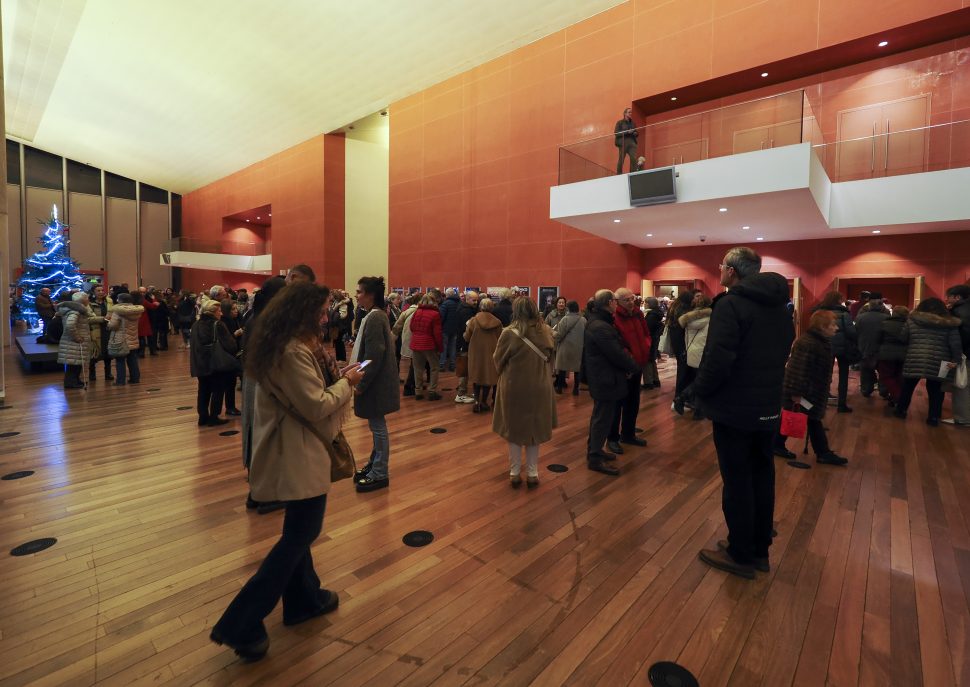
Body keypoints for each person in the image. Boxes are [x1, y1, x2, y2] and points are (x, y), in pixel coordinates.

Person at [209, 282, 364, 663]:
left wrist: (338, 378)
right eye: (323, 310)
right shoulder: (293, 351)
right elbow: (315, 405)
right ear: (302, 312)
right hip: (296, 451)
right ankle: (240, 622)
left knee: (298, 530)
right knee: (301, 534)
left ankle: (302, 599)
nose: (327, 317)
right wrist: (349, 382)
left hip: (294, 448)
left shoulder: (283, 344)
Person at [683, 247, 795, 580]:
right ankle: (759, 549)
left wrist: (697, 391)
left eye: (721, 266)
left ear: (732, 272)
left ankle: (740, 552)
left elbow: (718, 359)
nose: (719, 271)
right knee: (763, 476)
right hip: (767, 405)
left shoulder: (730, 304)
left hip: (735, 407)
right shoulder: (779, 306)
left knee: (737, 482)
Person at [492, 297, 557, 487]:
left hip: (514, 386)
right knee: (534, 429)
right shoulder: (545, 331)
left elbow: (498, 361)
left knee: (514, 429)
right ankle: (532, 472)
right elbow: (550, 358)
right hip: (540, 385)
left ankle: (514, 472)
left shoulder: (509, 333)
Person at [773, 310, 849, 465]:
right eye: (832, 325)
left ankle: (778, 445)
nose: (836, 328)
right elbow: (797, 370)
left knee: (805, 417)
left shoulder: (817, 342)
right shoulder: (809, 344)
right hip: (804, 393)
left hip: (809, 392)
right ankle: (823, 452)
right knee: (810, 418)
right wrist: (796, 393)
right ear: (822, 326)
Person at [350, 276, 400, 493]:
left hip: (375, 384)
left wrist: (361, 381)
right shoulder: (376, 316)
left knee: (378, 428)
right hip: (377, 382)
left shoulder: (374, 318)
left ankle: (380, 472)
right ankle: (375, 465)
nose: (356, 295)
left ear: (370, 295)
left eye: (360, 292)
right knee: (376, 426)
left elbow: (373, 355)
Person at [241, 276, 287, 511]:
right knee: (264, 436)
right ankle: (264, 494)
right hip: (262, 381)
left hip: (252, 378)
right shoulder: (270, 322)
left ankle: (256, 490)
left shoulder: (254, 316)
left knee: (254, 432)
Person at [584, 290, 641, 476]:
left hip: (604, 376)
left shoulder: (599, 323)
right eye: (615, 301)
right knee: (602, 418)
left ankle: (596, 450)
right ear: (609, 303)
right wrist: (634, 366)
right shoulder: (601, 326)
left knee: (601, 415)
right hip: (605, 378)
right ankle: (594, 457)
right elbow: (616, 353)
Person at [893, 297, 962, 427]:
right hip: (940, 360)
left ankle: (901, 411)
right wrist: (956, 360)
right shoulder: (949, 324)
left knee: (908, 386)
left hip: (915, 357)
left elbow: (903, 337)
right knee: (936, 390)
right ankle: (933, 417)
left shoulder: (912, 320)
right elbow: (955, 344)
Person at [607, 288, 651, 453]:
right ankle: (612, 438)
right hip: (623, 368)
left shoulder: (638, 314)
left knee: (633, 402)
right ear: (618, 302)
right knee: (617, 404)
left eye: (632, 298)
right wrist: (629, 361)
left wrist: (645, 350)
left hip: (637, 365)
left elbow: (646, 335)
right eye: (627, 300)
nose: (631, 302)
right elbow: (618, 345)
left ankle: (628, 433)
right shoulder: (614, 318)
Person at [190, 300, 238, 427]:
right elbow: (230, 345)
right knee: (217, 390)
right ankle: (214, 416)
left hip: (200, 362)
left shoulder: (196, 325)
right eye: (219, 311)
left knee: (203, 390)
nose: (221, 313)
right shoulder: (218, 325)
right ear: (212, 312)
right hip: (216, 363)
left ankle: (202, 416)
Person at [816, 291, 856, 413]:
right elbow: (851, 332)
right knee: (843, 376)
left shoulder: (819, 312)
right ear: (839, 300)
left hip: (824, 345)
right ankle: (841, 404)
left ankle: (822, 401)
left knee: (824, 374)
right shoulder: (844, 313)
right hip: (843, 347)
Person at [464, 296, 502, 413]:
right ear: (492, 308)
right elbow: (500, 338)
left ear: (480, 307)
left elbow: (467, 337)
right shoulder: (497, 322)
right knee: (488, 376)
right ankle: (484, 402)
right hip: (491, 351)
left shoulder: (473, 320)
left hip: (476, 351)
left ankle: (476, 401)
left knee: (477, 375)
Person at [943, 284, 970, 426]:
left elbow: (961, 336)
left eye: (948, 296)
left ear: (957, 297)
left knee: (962, 386)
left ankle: (963, 418)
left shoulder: (958, 312)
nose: (946, 299)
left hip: (965, 354)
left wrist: (957, 356)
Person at [408, 293, 443, 400]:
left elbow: (411, 327)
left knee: (418, 368)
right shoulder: (435, 314)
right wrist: (440, 347)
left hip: (415, 343)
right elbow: (437, 333)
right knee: (434, 368)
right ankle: (432, 391)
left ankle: (418, 391)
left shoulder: (416, 312)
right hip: (429, 344)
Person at [855, 293, 889, 398]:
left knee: (865, 371)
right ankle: (883, 390)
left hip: (864, 346)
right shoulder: (887, 317)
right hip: (881, 348)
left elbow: (856, 331)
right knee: (883, 371)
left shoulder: (860, 317)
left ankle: (866, 390)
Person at [57, 292, 92, 389]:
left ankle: (75, 380)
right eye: (87, 298)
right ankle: (71, 382)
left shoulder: (76, 310)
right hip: (74, 341)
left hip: (74, 341)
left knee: (76, 363)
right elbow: (70, 325)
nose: (88, 300)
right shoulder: (75, 311)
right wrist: (77, 337)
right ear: (83, 300)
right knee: (73, 364)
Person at [107, 293, 144, 385]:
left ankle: (120, 381)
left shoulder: (118, 311)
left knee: (120, 360)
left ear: (120, 300)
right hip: (133, 338)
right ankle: (135, 379)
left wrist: (108, 324)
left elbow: (113, 325)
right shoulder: (136, 311)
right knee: (132, 360)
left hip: (121, 338)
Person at [876, 305, 909, 406]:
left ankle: (898, 396)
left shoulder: (884, 324)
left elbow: (878, 339)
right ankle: (895, 397)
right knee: (899, 377)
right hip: (904, 354)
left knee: (886, 376)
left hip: (886, 354)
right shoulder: (909, 325)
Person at [553, 300, 585, 396]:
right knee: (577, 369)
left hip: (565, 347)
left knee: (562, 368)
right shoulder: (583, 320)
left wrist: (552, 333)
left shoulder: (565, 319)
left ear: (568, 308)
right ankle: (576, 389)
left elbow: (559, 335)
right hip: (579, 347)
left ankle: (559, 388)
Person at [392, 293, 421, 396]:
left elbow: (396, 327)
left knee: (415, 364)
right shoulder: (419, 311)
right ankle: (410, 386)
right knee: (416, 364)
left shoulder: (406, 311)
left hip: (408, 340)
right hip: (416, 341)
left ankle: (415, 384)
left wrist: (392, 339)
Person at [453, 290, 480, 404]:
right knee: (464, 369)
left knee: (466, 369)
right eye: (474, 300)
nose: (476, 302)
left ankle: (463, 392)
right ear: (467, 299)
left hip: (464, 343)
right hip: (464, 344)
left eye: (477, 300)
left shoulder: (466, 309)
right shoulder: (466, 311)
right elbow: (468, 329)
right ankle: (461, 394)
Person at [221, 300, 245, 416]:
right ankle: (230, 407)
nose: (236, 311)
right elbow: (226, 341)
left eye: (236, 308)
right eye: (233, 309)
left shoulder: (237, 319)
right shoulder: (224, 322)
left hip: (237, 353)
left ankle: (233, 406)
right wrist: (236, 334)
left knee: (236, 380)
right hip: (229, 355)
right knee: (229, 383)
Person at [88, 285, 114, 381]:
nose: (101, 292)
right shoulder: (89, 303)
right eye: (98, 290)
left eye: (102, 290)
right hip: (95, 330)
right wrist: (103, 319)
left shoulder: (109, 302)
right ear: (93, 292)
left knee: (108, 353)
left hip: (107, 330)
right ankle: (92, 374)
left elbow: (113, 313)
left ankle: (108, 373)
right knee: (94, 353)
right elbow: (88, 319)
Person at [642, 297, 663, 389]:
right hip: (654, 339)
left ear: (649, 304)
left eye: (645, 303)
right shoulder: (657, 313)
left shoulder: (651, 315)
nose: (644, 304)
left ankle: (648, 383)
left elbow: (647, 329)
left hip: (650, 339)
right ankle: (655, 380)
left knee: (647, 360)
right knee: (652, 360)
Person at [438, 288, 461, 372]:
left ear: (447, 295)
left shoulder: (445, 304)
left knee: (443, 347)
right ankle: (452, 365)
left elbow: (441, 317)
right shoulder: (459, 303)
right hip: (455, 329)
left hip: (445, 329)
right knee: (453, 347)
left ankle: (442, 365)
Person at [614, 106, 638, 174]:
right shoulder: (620, 122)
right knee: (621, 159)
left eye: (631, 112)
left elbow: (637, 133)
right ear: (625, 113)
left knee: (634, 158)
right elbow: (616, 133)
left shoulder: (633, 123)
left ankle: (632, 173)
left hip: (632, 142)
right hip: (623, 142)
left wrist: (635, 133)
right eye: (629, 112)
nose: (631, 113)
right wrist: (627, 132)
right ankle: (619, 174)